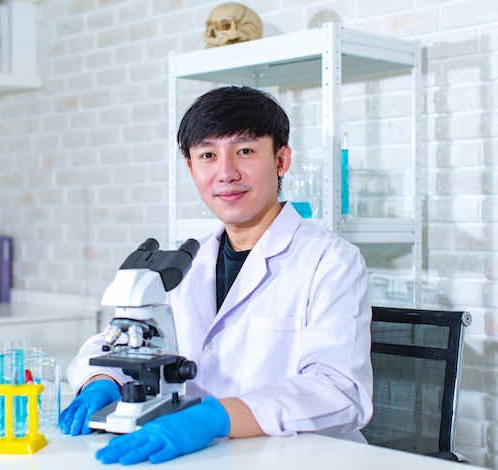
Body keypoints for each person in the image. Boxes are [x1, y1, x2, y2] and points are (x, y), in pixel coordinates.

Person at [60, 86, 373, 465]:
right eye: (208, 155)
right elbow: (113, 344)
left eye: (244, 151)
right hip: (205, 456)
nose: (226, 173)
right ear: (192, 169)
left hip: (300, 458)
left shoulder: (331, 261)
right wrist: (103, 382)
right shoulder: (181, 265)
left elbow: (340, 391)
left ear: (281, 159)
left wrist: (218, 416)